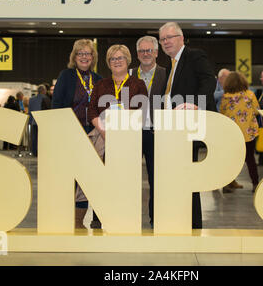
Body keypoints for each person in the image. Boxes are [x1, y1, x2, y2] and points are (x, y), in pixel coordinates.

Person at [158, 22, 216, 229]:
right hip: (173, 130)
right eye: (162, 39)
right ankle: (179, 220)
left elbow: (209, 81)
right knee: (177, 178)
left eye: (169, 37)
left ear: (181, 38)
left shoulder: (194, 56)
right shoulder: (170, 67)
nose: (166, 42)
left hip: (189, 128)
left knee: (188, 179)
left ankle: (193, 224)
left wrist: (195, 103)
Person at [87, 44, 148, 228]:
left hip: (129, 143)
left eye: (120, 58)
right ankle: (98, 218)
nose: (117, 62)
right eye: (113, 59)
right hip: (104, 140)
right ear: (108, 62)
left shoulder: (138, 84)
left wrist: (122, 135)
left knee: (126, 181)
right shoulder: (101, 85)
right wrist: (105, 131)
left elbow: (143, 113)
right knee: (103, 179)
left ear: (127, 60)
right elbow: (91, 112)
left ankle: (125, 217)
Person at [52, 39, 102, 229]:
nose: (84, 57)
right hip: (71, 134)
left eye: (87, 53)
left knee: (87, 179)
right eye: (80, 53)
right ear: (74, 57)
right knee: (70, 178)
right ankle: (66, 218)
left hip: (93, 135)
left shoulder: (98, 79)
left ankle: (80, 221)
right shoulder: (66, 76)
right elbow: (57, 104)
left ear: (93, 57)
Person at [129, 36, 167, 228]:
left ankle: (155, 217)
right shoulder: (127, 75)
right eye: (142, 51)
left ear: (156, 53)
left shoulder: (166, 75)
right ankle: (128, 217)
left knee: (157, 178)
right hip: (131, 135)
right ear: (137, 54)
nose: (146, 54)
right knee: (128, 177)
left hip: (156, 135)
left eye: (149, 50)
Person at [220, 72, 260, 193]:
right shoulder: (250, 95)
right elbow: (257, 111)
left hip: (231, 134)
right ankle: (255, 184)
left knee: (230, 160)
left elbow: (222, 113)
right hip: (248, 133)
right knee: (250, 159)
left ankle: (227, 184)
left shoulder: (226, 97)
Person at [29, 85, 51, 157]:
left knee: (34, 138)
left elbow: (30, 112)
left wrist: (30, 121)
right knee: (43, 138)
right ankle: (42, 152)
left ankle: (34, 152)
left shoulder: (31, 99)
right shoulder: (47, 99)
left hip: (34, 121)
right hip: (44, 122)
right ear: (43, 91)